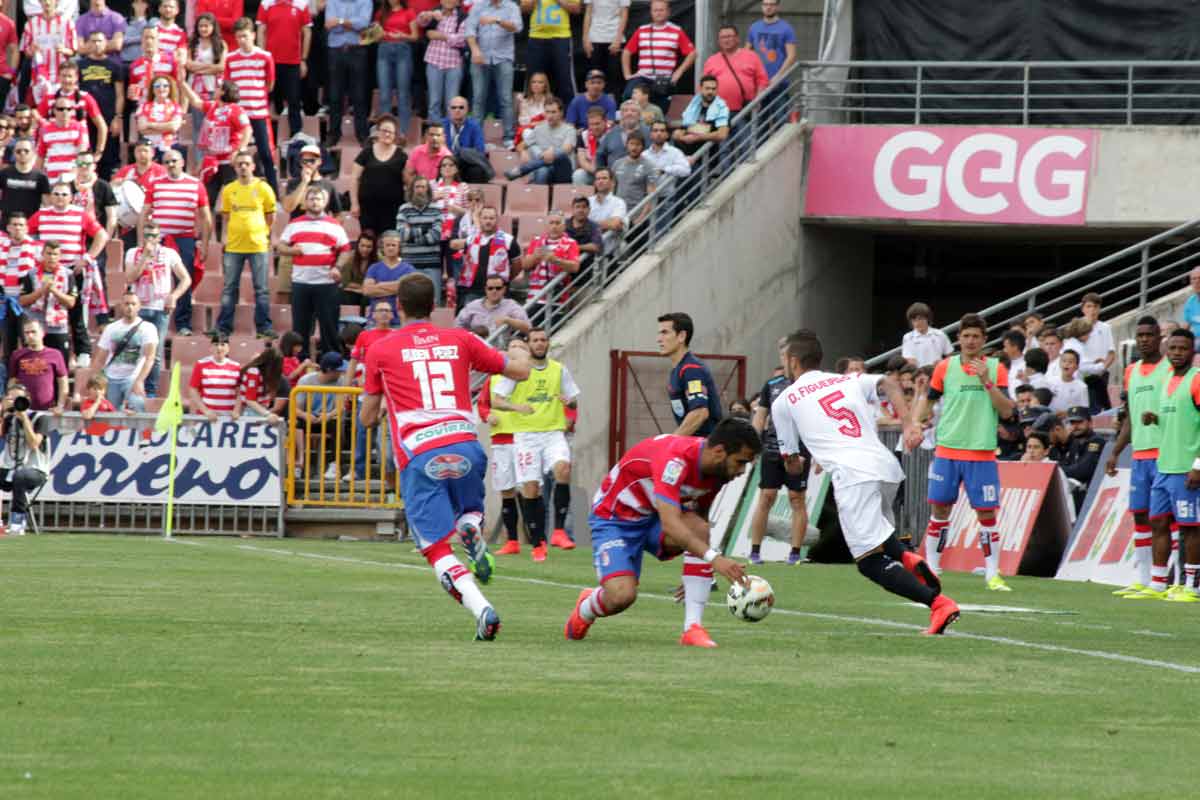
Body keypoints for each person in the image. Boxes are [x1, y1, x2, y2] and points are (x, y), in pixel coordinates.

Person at [359, 272, 533, 640]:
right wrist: (519, 351)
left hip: (421, 453)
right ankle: (470, 524)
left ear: (399, 306)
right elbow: (519, 369)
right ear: (435, 306)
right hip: (466, 444)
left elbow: (368, 417)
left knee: (436, 547)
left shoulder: (382, 348)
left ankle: (481, 608)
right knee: (468, 507)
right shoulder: (460, 338)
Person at [770, 328, 961, 634]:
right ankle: (905, 555)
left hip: (853, 476)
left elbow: (790, 462)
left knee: (868, 562)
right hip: (884, 467)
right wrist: (909, 423)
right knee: (878, 538)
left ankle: (938, 605)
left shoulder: (785, 400)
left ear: (792, 361)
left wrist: (799, 463)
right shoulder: (846, 379)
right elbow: (888, 382)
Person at [564, 418, 755, 644]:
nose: (742, 471)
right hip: (615, 520)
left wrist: (697, 570)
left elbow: (700, 519)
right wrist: (714, 559)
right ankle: (586, 608)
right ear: (719, 451)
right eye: (740, 462)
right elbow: (671, 524)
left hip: (653, 517)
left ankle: (692, 629)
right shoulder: (675, 461)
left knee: (700, 529)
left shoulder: (717, 470)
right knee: (621, 596)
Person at [907, 313, 1017, 591]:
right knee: (939, 509)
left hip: (981, 453)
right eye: (965, 336)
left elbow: (1006, 410)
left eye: (975, 336)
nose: (970, 341)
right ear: (958, 339)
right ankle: (932, 568)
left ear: (984, 339)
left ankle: (992, 574)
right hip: (947, 451)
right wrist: (918, 426)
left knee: (986, 514)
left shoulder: (995, 368)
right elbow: (928, 403)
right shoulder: (944, 367)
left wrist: (986, 381)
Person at [490, 325, 578, 559]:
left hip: (552, 434)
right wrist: (517, 407)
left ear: (548, 343)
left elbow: (573, 403)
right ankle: (538, 543)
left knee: (563, 469)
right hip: (526, 437)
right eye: (535, 340)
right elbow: (497, 401)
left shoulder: (559, 370)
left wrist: (569, 403)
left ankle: (558, 531)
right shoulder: (518, 372)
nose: (539, 343)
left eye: (543, 340)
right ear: (529, 345)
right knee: (530, 488)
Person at [1105, 317, 1169, 597]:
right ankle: (1142, 579)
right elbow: (1130, 417)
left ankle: (1165, 579)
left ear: (1159, 338)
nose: (1144, 339)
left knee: (1163, 520)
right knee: (1140, 516)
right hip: (1139, 455)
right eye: (1140, 335)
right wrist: (1116, 451)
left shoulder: (1171, 369)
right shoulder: (1131, 371)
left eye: (1149, 335)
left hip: (1167, 453)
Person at [1136, 328, 1200, 602]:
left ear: (1192, 352)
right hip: (1164, 465)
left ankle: (1192, 586)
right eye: (1172, 348)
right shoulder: (1167, 381)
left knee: (1190, 528)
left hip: (1186, 468)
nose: (1176, 353)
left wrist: (1198, 465)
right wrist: (1155, 418)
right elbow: (1179, 419)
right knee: (1158, 522)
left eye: (1182, 349)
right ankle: (1159, 582)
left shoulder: (1196, 381)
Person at [139, 149, 211, 337]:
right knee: (152, 277)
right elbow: (144, 214)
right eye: (167, 161)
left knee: (183, 279)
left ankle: (182, 323)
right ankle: (150, 319)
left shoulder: (196, 184)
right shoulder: (155, 184)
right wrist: (142, 242)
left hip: (184, 238)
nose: (170, 164)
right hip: (159, 239)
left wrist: (205, 243)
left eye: (174, 161)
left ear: (182, 162)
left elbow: (206, 217)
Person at [748, 356, 810, 565]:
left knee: (796, 498)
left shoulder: (808, 384)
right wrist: (753, 444)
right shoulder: (772, 385)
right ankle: (755, 551)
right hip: (772, 448)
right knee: (766, 496)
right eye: (782, 355)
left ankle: (795, 553)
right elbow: (760, 416)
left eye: (788, 356)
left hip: (799, 448)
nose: (786, 360)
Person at [277, 186, 350, 357]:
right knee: (300, 329)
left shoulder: (335, 225)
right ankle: (300, 364)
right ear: (305, 202)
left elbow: (346, 250)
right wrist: (291, 251)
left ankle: (330, 364)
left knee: (329, 327)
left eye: (319, 199)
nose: (315, 202)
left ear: (325, 202)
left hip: (326, 284)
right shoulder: (295, 224)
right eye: (311, 198)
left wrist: (338, 267)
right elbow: (280, 246)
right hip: (301, 283)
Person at [123, 220, 190, 395]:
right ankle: (131, 387)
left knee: (156, 353)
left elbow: (186, 278)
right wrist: (144, 257)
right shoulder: (133, 253)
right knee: (134, 349)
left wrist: (174, 296)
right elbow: (130, 278)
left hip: (160, 308)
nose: (150, 238)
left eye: (153, 235)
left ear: (159, 236)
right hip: (139, 307)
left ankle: (150, 389)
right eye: (146, 235)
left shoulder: (169, 254)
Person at [216, 149, 275, 337]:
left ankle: (264, 328)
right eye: (239, 164)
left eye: (246, 164)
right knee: (229, 288)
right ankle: (223, 327)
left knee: (262, 289)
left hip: (258, 245)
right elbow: (226, 216)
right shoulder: (229, 189)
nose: (243, 167)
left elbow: (270, 215)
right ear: (234, 167)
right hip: (234, 246)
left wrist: (263, 233)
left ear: (253, 167)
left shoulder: (263, 188)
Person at [177, 79, 251, 214]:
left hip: (229, 162)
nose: (215, 90)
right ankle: (206, 233)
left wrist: (240, 151)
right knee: (207, 201)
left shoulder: (236, 110)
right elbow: (196, 102)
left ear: (223, 91)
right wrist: (182, 84)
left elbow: (247, 130)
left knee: (233, 202)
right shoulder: (213, 106)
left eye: (218, 88)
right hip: (212, 161)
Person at [224, 17, 277, 189]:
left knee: (266, 154)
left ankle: (273, 192)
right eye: (239, 37)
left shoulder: (265, 56)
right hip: (238, 116)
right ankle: (234, 190)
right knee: (235, 154)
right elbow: (228, 85)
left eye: (245, 36)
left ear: (253, 35)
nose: (242, 40)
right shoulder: (231, 58)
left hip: (258, 113)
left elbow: (270, 84)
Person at [482, 340, 524, 554]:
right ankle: (513, 541)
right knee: (506, 490)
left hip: (526, 438)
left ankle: (537, 541)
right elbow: (482, 405)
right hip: (501, 440)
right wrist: (487, 415)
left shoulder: (531, 376)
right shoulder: (494, 378)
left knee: (530, 489)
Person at [345, 300, 394, 480]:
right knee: (362, 433)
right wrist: (347, 388)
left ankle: (389, 474)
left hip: (390, 394)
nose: (383, 313)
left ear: (392, 315)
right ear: (373, 314)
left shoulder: (396, 335)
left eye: (387, 310)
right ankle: (358, 470)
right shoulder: (364, 336)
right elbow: (353, 362)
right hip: (367, 392)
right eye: (380, 310)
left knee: (388, 438)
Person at [465, 0, 522, 148]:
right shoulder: (478, 6)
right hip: (480, 57)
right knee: (478, 99)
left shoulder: (511, 7)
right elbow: (469, 30)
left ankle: (509, 137)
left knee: (505, 98)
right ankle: (476, 139)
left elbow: (517, 27)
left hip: (503, 57)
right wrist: (475, 49)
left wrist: (497, 20)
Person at [620, 0, 694, 114]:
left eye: (661, 10)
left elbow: (692, 53)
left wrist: (678, 73)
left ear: (668, 12)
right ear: (651, 12)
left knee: (658, 112)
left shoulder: (676, 31)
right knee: (628, 96)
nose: (658, 13)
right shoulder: (642, 30)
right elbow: (626, 52)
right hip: (643, 77)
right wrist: (627, 75)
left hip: (663, 80)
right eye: (655, 10)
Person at [255, 0, 311, 142]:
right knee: (266, 99)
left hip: (293, 61)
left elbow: (307, 32)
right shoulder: (266, 3)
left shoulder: (301, 4)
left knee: (294, 99)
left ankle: (296, 135)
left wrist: (303, 59)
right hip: (271, 61)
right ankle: (262, 135)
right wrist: (262, 56)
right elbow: (261, 31)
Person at [0, 381, 52, 536]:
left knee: (20, 477)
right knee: (14, 474)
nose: (14, 403)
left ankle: (17, 522)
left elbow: (34, 443)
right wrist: (3, 412)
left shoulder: (40, 418)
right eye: (11, 398)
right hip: (12, 467)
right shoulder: (9, 419)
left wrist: (24, 418)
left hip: (36, 469)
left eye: (18, 399)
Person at [657, 311, 720, 435]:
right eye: (659, 333)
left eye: (665, 333)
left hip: (706, 448)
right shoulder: (679, 369)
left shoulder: (691, 369)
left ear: (681, 336)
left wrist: (673, 441)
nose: (658, 339)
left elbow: (700, 412)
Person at [94, 288, 156, 411]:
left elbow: (150, 357)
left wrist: (139, 381)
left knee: (138, 406)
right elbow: (100, 358)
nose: (130, 307)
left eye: (133, 304)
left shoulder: (148, 328)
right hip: (111, 377)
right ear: (121, 306)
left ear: (139, 306)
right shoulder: (111, 328)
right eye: (127, 304)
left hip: (132, 377)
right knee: (112, 414)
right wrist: (96, 380)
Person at [323, 0, 372, 147]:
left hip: (357, 51)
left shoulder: (365, 2)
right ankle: (333, 134)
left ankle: (362, 134)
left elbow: (363, 24)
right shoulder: (332, 2)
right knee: (334, 95)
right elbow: (329, 25)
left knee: (359, 96)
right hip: (335, 52)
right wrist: (351, 25)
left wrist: (340, 21)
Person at [350, 114, 407, 240]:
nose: (387, 134)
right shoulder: (366, 152)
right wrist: (354, 203)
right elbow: (354, 178)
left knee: (388, 241)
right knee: (369, 242)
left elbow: (408, 180)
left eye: (391, 132)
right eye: (384, 131)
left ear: (395, 135)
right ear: (378, 132)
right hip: (367, 208)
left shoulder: (402, 155)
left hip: (392, 209)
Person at [452, 205, 521, 306]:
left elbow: (517, 266)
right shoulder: (471, 239)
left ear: (497, 220)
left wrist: (505, 279)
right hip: (473, 291)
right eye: (485, 218)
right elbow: (454, 245)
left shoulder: (508, 240)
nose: (488, 221)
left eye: (491, 218)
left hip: (497, 291)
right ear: (480, 219)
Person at [77, 30, 124, 179]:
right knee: (85, 155)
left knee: (108, 159)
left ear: (106, 43)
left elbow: (120, 94)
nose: (97, 44)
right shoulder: (79, 65)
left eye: (100, 41)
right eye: (93, 41)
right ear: (88, 44)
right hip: (85, 118)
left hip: (108, 117)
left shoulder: (115, 65)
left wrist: (118, 117)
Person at [20, 241, 75, 364]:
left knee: (60, 364)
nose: (52, 257)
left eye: (55, 254)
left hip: (58, 327)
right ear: (43, 254)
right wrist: (41, 291)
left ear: (60, 256)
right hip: (36, 326)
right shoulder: (31, 274)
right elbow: (23, 300)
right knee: (34, 364)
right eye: (49, 253)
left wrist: (54, 291)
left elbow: (71, 302)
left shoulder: (68, 274)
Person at [395, 176, 446, 303]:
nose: (420, 190)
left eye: (423, 187)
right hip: (409, 265)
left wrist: (412, 234)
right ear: (411, 190)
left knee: (434, 303)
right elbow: (402, 235)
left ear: (428, 190)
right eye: (417, 187)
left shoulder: (437, 209)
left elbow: (436, 236)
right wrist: (425, 229)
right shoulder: (404, 209)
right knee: (409, 302)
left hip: (432, 265)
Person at [519, 210, 579, 315]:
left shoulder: (571, 243)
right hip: (535, 297)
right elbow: (525, 265)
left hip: (557, 298)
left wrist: (555, 260)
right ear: (546, 225)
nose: (554, 226)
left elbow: (575, 267)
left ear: (564, 226)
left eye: (557, 223)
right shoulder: (537, 241)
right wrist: (535, 256)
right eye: (551, 223)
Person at [0, 215, 44, 357]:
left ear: (26, 228)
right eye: (14, 224)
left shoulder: (37, 248)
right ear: (8, 228)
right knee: (8, 345)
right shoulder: (2, 248)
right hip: (6, 303)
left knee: (29, 342)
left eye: (21, 225)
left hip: (27, 304)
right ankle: (9, 377)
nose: (17, 228)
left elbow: (41, 273)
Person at [701, 25, 768, 116]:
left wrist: (758, 99)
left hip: (744, 111)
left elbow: (762, 80)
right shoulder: (711, 60)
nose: (726, 40)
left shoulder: (751, 56)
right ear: (719, 41)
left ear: (737, 39)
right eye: (723, 37)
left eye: (729, 36)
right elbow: (703, 86)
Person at [507, 97, 576, 184]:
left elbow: (566, 149)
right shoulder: (539, 128)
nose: (550, 116)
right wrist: (523, 151)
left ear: (561, 113)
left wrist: (553, 151)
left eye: (553, 112)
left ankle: (522, 170)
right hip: (546, 168)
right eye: (547, 112)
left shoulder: (569, 129)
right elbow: (520, 146)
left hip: (563, 172)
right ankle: (538, 195)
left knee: (560, 155)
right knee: (542, 170)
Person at [419, 0, 469, 121]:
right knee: (434, 102)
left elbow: (462, 40)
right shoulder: (434, 13)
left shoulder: (463, 17)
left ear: (458, 2)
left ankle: (450, 135)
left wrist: (441, 36)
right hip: (434, 61)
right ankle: (434, 135)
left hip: (454, 64)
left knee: (452, 103)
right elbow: (420, 22)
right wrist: (428, 15)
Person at [521, 0, 577, 105]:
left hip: (561, 37)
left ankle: (569, 116)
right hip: (536, 37)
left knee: (564, 79)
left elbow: (576, 9)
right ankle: (531, 114)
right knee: (534, 79)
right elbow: (524, 9)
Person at [23, 0, 78, 107]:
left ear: (56, 2)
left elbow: (73, 51)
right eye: (44, 0)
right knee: (39, 109)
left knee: (60, 108)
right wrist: (31, 50)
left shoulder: (67, 23)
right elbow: (26, 52)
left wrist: (64, 50)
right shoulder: (30, 24)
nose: (47, 3)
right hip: (39, 76)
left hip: (61, 76)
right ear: (40, 2)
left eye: (50, 0)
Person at [373, 0, 418, 131]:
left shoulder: (409, 12)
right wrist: (379, 35)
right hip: (384, 50)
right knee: (384, 95)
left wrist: (402, 35)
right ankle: (384, 132)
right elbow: (373, 37)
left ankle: (402, 133)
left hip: (402, 49)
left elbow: (415, 36)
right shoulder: (381, 13)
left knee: (403, 94)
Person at [9, 318, 68, 412]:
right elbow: (12, 381)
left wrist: (60, 405)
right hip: (23, 410)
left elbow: (63, 382)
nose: (30, 335)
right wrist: (12, 403)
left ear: (42, 333)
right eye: (27, 333)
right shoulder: (16, 355)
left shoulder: (55, 354)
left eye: (33, 332)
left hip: (47, 409)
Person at [184, 14, 225, 144]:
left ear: (213, 27)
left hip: (214, 88)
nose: (203, 29)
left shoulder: (220, 44)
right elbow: (189, 65)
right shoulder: (193, 43)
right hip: (196, 89)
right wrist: (210, 67)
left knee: (215, 123)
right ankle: (199, 161)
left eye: (206, 26)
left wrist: (199, 69)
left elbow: (221, 67)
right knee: (198, 126)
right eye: (201, 26)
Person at [37, 94, 90, 184]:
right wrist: (37, 178)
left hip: (72, 178)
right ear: (54, 111)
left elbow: (82, 154)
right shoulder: (45, 130)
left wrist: (75, 175)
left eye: (68, 109)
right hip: (51, 178)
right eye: (61, 109)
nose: (65, 112)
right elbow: (41, 156)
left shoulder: (79, 128)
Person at [455, 275, 529, 340]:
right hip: (475, 345)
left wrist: (508, 320)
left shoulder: (511, 305)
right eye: (490, 288)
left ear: (504, 289)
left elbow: (528, 328)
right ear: (485, 289)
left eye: (498, 288)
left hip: (500, 349)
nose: (494, 291)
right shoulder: (472, 306)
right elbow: (457, 326)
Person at [674, 74, 730, 158]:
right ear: (700, 89)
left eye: (713, 89)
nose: (710, 92)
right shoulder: (694, 105)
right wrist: (680, 136)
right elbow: (682, 129)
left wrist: (697, 138)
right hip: (686, 154)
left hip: (706, 157)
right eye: (707, 88)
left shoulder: (721, 107)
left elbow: (722, 134)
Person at [188, 330, 241, 419]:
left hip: (228, 418)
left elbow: (240, 392)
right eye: (216, 344)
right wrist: (206, 411)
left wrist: (236, 410)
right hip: (207, 417)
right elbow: (193, 390)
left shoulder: (236, 366)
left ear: (228, 348)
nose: (219, 348)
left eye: (223, 344)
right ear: (210, 347)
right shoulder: (201, 364)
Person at [281, 143, 342, 220]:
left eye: (312, 161)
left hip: (319, 228)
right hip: (298, 228)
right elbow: (288, 208)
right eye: (304, 161)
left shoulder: (328, 185)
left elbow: (338, 214)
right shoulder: (293, 183)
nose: (308, 164)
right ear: (300, 163)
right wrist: (304, 182)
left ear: (319, 162)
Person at [1059, 406, 1104, 509]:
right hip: (1076, 493)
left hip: (1092, 494)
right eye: (1072, 423)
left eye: (1079, 422)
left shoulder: (1096, 441)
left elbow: (1083, 470)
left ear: (1090, 422)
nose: (1075, 426)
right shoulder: (1074, 442)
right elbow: (1067, 464)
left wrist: (1058, 470)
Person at [362, 229, 414, 317]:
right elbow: (367, 290)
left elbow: (408, 291)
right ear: (382, 248)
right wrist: (397, 287)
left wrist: (379, 285)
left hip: (399, 320)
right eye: (387, 245)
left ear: (399, 247)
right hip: (375, 320)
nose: (390, 248)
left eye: (393, 245)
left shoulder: (409, 269)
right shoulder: (374, 268)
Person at [1078, 292, 1116, 411]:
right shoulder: (1076, 326)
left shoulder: (1105, 327)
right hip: (1082, 372)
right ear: (1083, 308)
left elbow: (1111, 353)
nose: (1092, 310)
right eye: (1089, 306)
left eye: (1095, 306)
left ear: (1099, 309)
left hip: (1100, 372)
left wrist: (1102, 367)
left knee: (1098, 407)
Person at [581, 0, 627, 93]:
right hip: (594, 38)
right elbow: (588, 13)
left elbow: (624, 14)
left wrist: (618, 39)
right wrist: (585, 38)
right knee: (594, 77)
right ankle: (595, 105)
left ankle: (614, 105)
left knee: (615, 77)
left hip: (614, 39)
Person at [0, 139, 51, 221]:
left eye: (26, 151)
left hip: (31, 226)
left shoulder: (41, 177)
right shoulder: (4, 174)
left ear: (33, 153)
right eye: (18, 151)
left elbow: (47, 205)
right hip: (6, 226)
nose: (22, 153)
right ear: (14, 153)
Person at [746, 0, 796, 83]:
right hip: (757, 81)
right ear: (762, 6)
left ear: (777, 7)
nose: (768, 7)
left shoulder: (786, 28)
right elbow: (746, 52)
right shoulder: (754, 27)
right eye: (765, 4)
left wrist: (778, 76)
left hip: (778, 82)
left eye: (772, 4)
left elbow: (791, 56)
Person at [235, 343, 287, 422]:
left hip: (261, 410)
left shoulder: (266, 375)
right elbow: (250, 400)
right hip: (250, 412)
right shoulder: (254, 372)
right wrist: (267, 414)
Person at [595, 99, 647, 170]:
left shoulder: (648, 132)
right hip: (614, 175)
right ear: (621, 114)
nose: (629, 113)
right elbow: (600, 154)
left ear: (639, 115)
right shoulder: (611, 133)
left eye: (633, 111)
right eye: (626, 111)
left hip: (641, 174)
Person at [587, 166, 627, 254]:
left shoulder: (619, 202)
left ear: (612, 183)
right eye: (598, 179)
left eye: (604, 178)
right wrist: (604, 225)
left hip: (610, 254)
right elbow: (578, 224)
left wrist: (589, 225)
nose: (600, 181)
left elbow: (614, 224)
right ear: (594, 183)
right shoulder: (588, 201)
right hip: (590, 254)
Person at [901, 301, 953, 368]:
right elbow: (909, 359)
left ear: (927, 318)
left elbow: (950, 355)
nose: (917, 323)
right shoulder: (907, 337)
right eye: (914, 320)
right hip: (919, 375)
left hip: (939, 371)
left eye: (920, 319)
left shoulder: (939, 334)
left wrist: (943, 363)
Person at [610, 129, 652, 206]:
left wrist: (641, 218)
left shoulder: (649, 166)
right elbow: (611, 191)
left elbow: (651, 198)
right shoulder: (617, 164)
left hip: (637, 211)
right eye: (631, 144)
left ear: (643, 147)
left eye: (638, 144)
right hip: (618, 211)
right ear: (626, 145)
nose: (634, 148)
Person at [563, 196, 602, 275]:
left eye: (584, 207)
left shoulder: (594, 226)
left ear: (589, 209)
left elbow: (596, 246)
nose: (581, 210)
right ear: (572, 209)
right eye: (577, 207)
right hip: (563, 268)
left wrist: (574, 246)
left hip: (584, 272)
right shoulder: (563, 224)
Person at [570, 106, 608, 185]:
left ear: (605, 121)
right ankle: (581, 197)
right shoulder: (583, 136)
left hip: (609, 172)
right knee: (578, 175)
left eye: (597, 124)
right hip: (592, 170)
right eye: (591, 124)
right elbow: (582, 161)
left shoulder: (612, 134)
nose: (594, 127)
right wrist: (595, 171)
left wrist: (603, 174)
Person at [339, 231, 376, 311]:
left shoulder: (379, 260)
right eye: (362, 246)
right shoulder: (350, 258)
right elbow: (346, 283)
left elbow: (378, 284)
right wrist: (362, 289)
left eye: (369, 247)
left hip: (371, 293)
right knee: (347, 296)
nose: (365, 249)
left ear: (373, 248)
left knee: (366, 299)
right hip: (353, 292)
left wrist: (363, 289)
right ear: (358, 245)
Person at [1048, 349, 1088, 413]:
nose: (1066, 364)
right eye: (1064, 361)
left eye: (1070, 362)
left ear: (1077, 366)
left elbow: (1084, 410)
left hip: (1071, 421)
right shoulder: (1050, 382)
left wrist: (1067, 413)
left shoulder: (1082, 387)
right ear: (1059, 363)